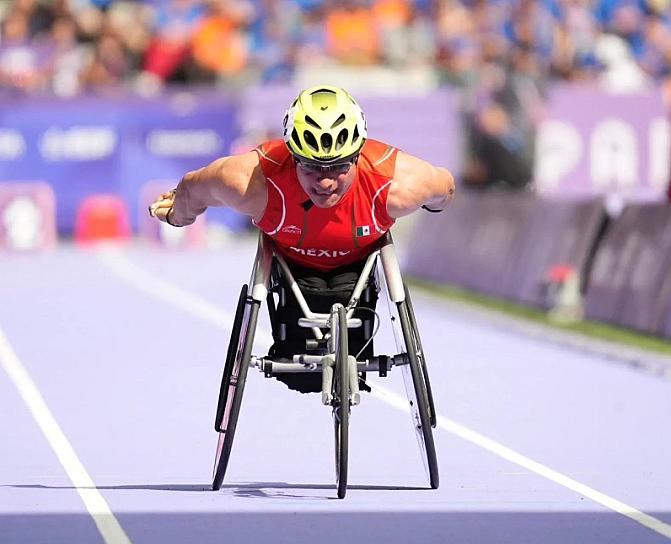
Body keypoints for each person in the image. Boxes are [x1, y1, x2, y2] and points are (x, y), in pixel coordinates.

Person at [149, 84, 455, 392]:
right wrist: (178, 215)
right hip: (290, 271)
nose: (324, 181)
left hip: (359, 268)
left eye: (337, 167)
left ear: (357, 156)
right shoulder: (252, 182)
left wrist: (433, 201)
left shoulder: (398, 184)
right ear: (293, 157)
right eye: (311, 167)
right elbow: (193, 188)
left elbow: (445, 187)